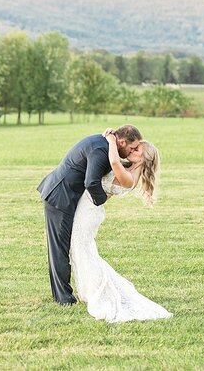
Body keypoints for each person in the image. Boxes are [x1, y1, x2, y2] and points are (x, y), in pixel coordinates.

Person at [69, 129, 172, 322]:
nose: (133, 149)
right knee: (81, 250)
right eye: (134, 146)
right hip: (87, 209)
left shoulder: (130, 178)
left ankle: (99, 292)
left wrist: (110, 139)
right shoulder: (129, 168)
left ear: (145, 157)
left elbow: (114, 162)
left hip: (89, 212)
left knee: (83, 249)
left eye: (138, 149)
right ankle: (90, 290)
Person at [37, 125, 142, 305]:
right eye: (131, 148)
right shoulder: (101, 150)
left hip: (66, 195)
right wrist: (101, 201)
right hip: (60, 195)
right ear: (122, 142)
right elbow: (91, 182)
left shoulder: (107, 145)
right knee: (59, 249)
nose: (132, 151)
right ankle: (63, 298)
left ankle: (63, 295)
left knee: (63, 246)